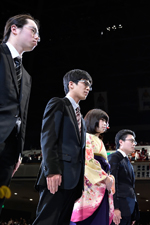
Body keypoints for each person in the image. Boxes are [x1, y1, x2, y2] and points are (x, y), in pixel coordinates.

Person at [33, 69, 92, 225]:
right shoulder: (58, 103)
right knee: (46, 221)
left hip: (73, 180)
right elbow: (48, 138)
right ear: (71, 84)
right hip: (57, 176)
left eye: (90, 86)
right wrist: (52, 170)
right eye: (85, 83)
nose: (88, 88)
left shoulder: (81, 116)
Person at [0, 14, 40, 214]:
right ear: (14, 29)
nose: (37, 37)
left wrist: (19, 153)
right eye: (33, 30)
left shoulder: (27, 76)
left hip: (10, 149)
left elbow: (22, 116)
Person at [70, 109, 114, 225]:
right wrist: (105, 177)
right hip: (91, 184)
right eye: (102, 120)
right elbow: (88, 161)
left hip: (101, 184)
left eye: (107, 121)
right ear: (93, 120)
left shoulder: (99, 141)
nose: (105, 124)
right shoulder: (86, 137)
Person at [108, 129, 140, 225]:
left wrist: (134, 213)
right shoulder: (114, 158)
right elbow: (113, 184)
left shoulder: (127, 160)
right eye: (131, 141)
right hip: (119, 208)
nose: (134, 144)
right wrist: (115, 208)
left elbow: (131, 188)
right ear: (121, 142)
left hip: (128, 209)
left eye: (135, 141)